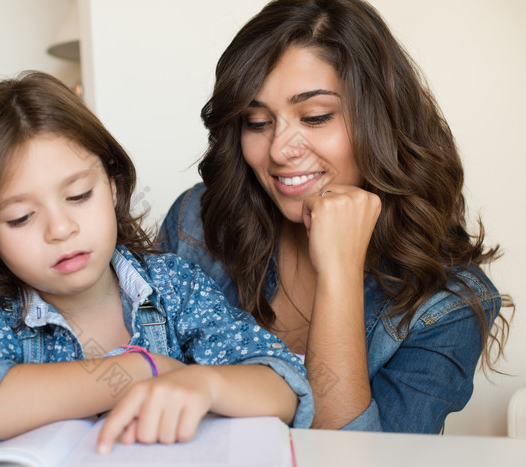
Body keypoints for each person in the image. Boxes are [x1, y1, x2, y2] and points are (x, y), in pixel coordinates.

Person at [160, 0, 511, 433]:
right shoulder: (196, 222)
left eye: (315, 116)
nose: (278, 150)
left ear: (380, 118)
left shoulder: (447, 306)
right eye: (256, 121)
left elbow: (351, 458)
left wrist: (340, 271)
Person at [0, 71, 313, 452]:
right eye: (20, 218)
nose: (61, 229)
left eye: (79, 195)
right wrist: (145, 369)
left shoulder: (173, 286)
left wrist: (205, 385)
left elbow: (284, 386)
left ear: (113, 186)